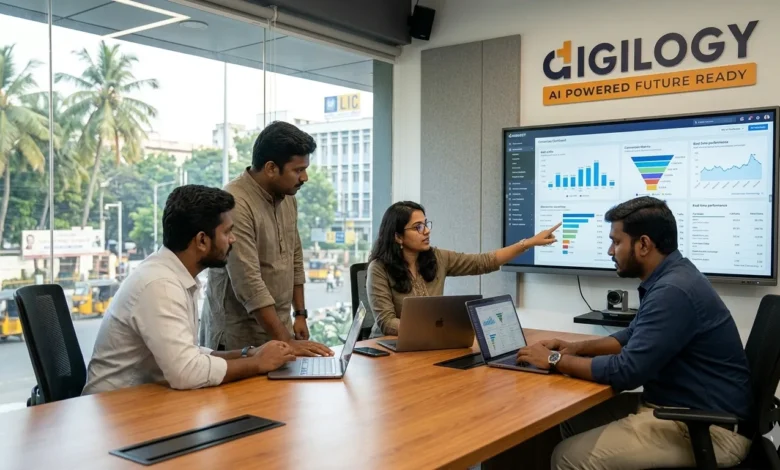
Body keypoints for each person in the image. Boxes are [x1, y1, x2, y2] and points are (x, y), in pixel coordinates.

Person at [516, 196, 753, 469]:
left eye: (616, 242)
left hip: (710, 431)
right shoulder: (672, 277)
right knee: (571, 419)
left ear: (643, 244)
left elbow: (626, 372)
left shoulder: (673, 291)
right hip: (682, 409)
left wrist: (555, 361)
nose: (609, 251)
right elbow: (631, 336)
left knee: (567, 457)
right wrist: (574, 348)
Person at [83, 185, 296, 395]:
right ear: (202, 240)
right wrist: (258, 363)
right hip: (114, 411)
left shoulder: (173, 274)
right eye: (228, 232)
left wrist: (247, 354)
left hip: (143, 401)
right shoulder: (160, 285)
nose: (233, 239)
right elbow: (186, 372)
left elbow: (189, 355)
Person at [202, 121, 333, 357]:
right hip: (239, 339)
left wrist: (300, 313)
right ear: (271, 168)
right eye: (298, 170)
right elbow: (248, 283)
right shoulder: (235, 202)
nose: (305, 177)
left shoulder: (288, 196)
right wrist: (286, 341)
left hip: (279, 331)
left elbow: (295, 256)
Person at [366, 201, 560, 337]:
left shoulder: (437, 258)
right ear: (398, 237)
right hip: (387, 349)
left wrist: (529, 243)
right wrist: (434, 330)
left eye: (426, 224)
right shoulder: (379, 269)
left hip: (428, 343)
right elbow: (387, 322)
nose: (426, 231)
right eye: (417, 227)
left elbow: (483, 262)